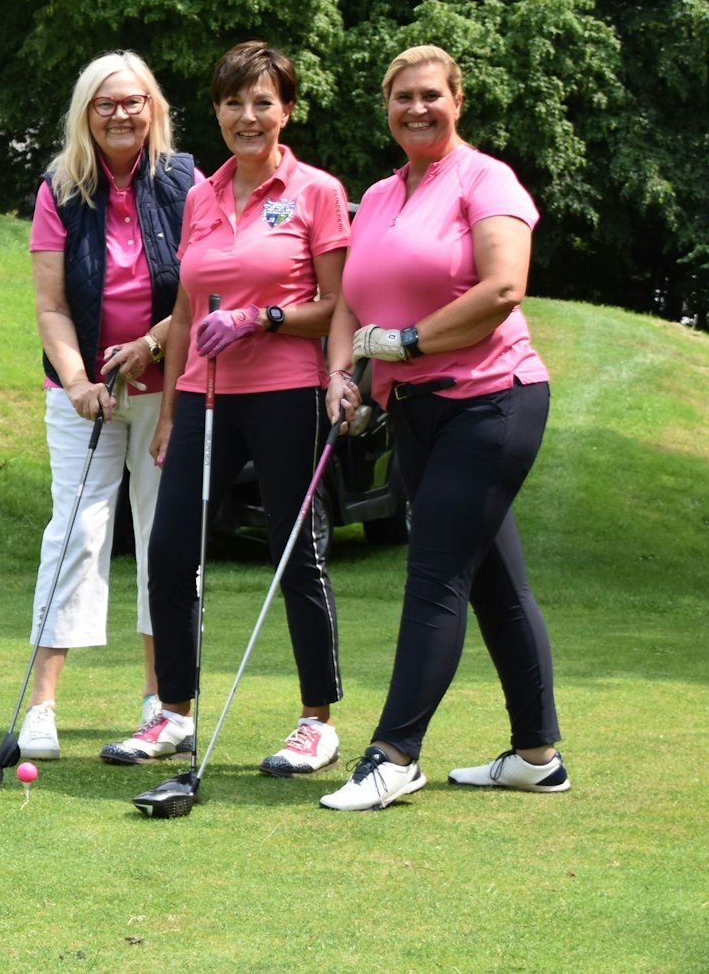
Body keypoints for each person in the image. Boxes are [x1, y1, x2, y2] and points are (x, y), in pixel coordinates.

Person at [316, 44, 569, 812]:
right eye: (402, 97)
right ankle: (536, 754)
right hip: (416, 411)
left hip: (491, 401)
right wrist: (342, 375)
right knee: (496, 581)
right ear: (386, 108)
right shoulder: (383, 194)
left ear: (457, 99)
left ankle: (395, 755)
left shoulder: (486, 179)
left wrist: (413, 341)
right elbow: (353, 304)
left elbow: (502, 286)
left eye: (431, 94)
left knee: (435, 574)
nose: (416, 108)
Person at [100, 41, 351, 779]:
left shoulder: (316, 191)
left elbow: (337, 303)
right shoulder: (202, 195)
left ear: (287, 110)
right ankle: (173, 712)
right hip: (204, 397)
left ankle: (317, 721)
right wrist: (174, 406)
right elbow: (184, 306)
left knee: (294, 553)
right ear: (215, 110)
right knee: (171, 552)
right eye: (234, 102)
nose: (248, 116)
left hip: (285, 390)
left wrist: (263, 319)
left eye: (263, 102)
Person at [19, 51, 198, 760]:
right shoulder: (60, 187)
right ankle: (42, 706)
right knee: (76, 533)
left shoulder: (187, 181)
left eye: (133, 101)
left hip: (168, 385)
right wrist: (77, 382)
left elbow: (200, 288)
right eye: (105, 103)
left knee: (164, 539)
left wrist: (153, 344)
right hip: (84, 395)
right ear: (85, 113)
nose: (120, 113)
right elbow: (50, 304)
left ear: (151, 106)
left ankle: (160, 699)